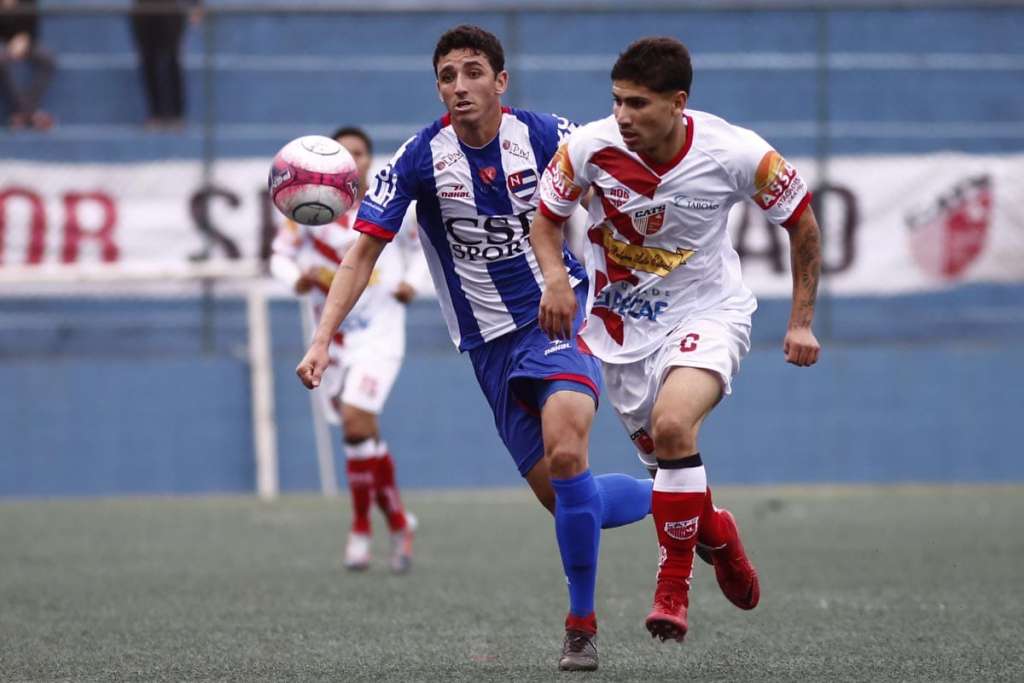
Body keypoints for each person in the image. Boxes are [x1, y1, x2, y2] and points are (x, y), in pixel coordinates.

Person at [296, 25, 653, 672]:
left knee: (568, 447)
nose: (459, 86)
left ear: (500, 81)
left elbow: (621, 179)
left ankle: (581, 624)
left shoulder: (547, 135)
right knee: (570, 498)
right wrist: (322, 339)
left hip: (558, 314)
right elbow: (363, 252)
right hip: (488, 347)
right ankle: (680, 496)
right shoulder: (418, 158)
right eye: (447, 76)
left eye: (472, 72)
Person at [532, 36, 822, 644]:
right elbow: (546, 219)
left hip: (708, 312)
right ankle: (717, 531)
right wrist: (557, 280)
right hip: (619, 330)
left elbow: (803, 224)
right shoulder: (586, 147)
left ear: (678, 103)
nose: (623, 117)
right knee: (669, 461)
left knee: (672, 427)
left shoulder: (738, 153)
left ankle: (673, 587)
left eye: (638, 104)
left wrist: (800, 319)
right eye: (617, 102)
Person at [272, 126, 428, 574]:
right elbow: (279, 255)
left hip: (379, 332)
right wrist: (293, 277)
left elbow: (423, 248)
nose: (354, 161)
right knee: (360, 436)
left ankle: (360, 528)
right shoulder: (308, 209)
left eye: (360, 153)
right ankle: (399, 521)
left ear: (367, 160)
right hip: (331, 338)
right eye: (346, 154)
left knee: (358, 422)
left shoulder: (388, 202)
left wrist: (410, 283)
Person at [130, 0, 200, 128]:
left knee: (172, 60)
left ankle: (177, 114)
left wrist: (196, 5)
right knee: (148, 61)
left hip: (170, 9)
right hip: (143, 10)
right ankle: (155, 113)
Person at [0, 0, 54, 130]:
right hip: (3, 44)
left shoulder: (28, 1)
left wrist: (24, 39)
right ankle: (31, 114)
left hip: (25, 41)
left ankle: (23, 113)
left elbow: (32, 25)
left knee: (47, 59)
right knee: (2, 60)